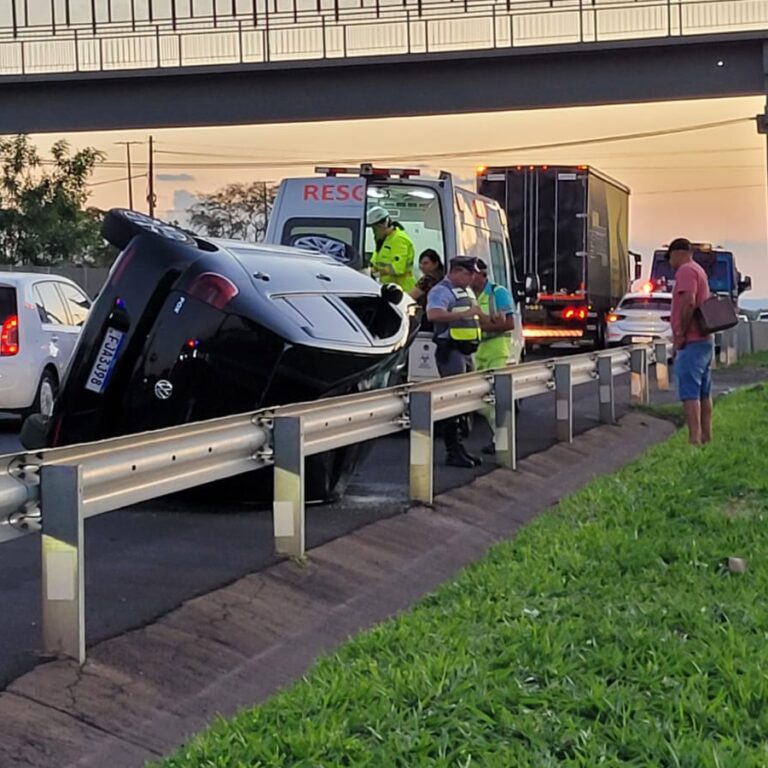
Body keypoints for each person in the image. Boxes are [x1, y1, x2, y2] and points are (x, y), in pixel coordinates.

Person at [426, 256, 487, 468]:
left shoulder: (465, 290)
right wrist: (465, 314)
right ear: (458, 271)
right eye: (470, 274)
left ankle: (460, 448)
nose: (473, 278)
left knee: (463, 401)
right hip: (450, 350)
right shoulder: (441, 290)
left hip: (466, 351)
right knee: (453, 400)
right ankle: (453, 450)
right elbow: (433, 315)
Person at [667, 237, 714, 445]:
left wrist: (680, 334)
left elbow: (688, 302)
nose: (671, 263)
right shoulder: (698, 270)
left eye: (670, 258)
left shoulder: (685, 271)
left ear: (677, 253)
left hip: (692, 340)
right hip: (704, 339)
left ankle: (694, 439)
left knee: (690, 392)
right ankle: (706, 436)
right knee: (704, 391)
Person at [470, 258, 517, 455]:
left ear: (483, 274)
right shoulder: (469, 295)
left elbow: (509, 324)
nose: (471, 278)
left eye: (474, 274)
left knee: (496, 399)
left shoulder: (498, 293)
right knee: (481, 402)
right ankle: (500, 438)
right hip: (478, 352)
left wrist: (481, 328)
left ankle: (502, 440)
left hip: (497, 351)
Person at [367, 206, 416, 292]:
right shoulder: (384, 240)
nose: (374, 232)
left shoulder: (399, 239)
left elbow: (397, 268)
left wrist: (376, 273)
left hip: (402, 290)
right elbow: (376, 261)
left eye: (374, 229)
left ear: (382, 225)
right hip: (389, 289)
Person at [410, 249, 444, 331]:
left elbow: (411, 296)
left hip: (427, 316)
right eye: (420, 263)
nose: (422, 266)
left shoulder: (428, 279)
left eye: (425, 263)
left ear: (435, 264)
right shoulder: (444, 276)